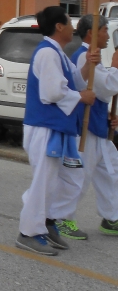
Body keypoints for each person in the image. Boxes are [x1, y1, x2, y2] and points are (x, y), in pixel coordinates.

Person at [16, 6, 98, 256]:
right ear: (59, 27)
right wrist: (81, 97)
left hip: (58, 128)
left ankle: (49, 220)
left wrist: (88, 66)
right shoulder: (47, 54)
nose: (73, 27)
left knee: (72, 179)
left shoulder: (58, 53)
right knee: (44, 181)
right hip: (45, 127)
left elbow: (74, 79)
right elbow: (52, 92)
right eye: (69, 23)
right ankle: (28, 232)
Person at [48, 14, 118, 240]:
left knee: (112, 172)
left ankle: (111, 217)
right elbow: (106, 86)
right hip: (84, 129)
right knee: (79, 176)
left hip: (98, 125)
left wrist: (108, 114)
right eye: (105, 30)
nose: (108, 35)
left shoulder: (93, 56)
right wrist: (116, 68)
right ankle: (62, 218)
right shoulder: (83, 57)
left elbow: (102, 93)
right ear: (92, 32)